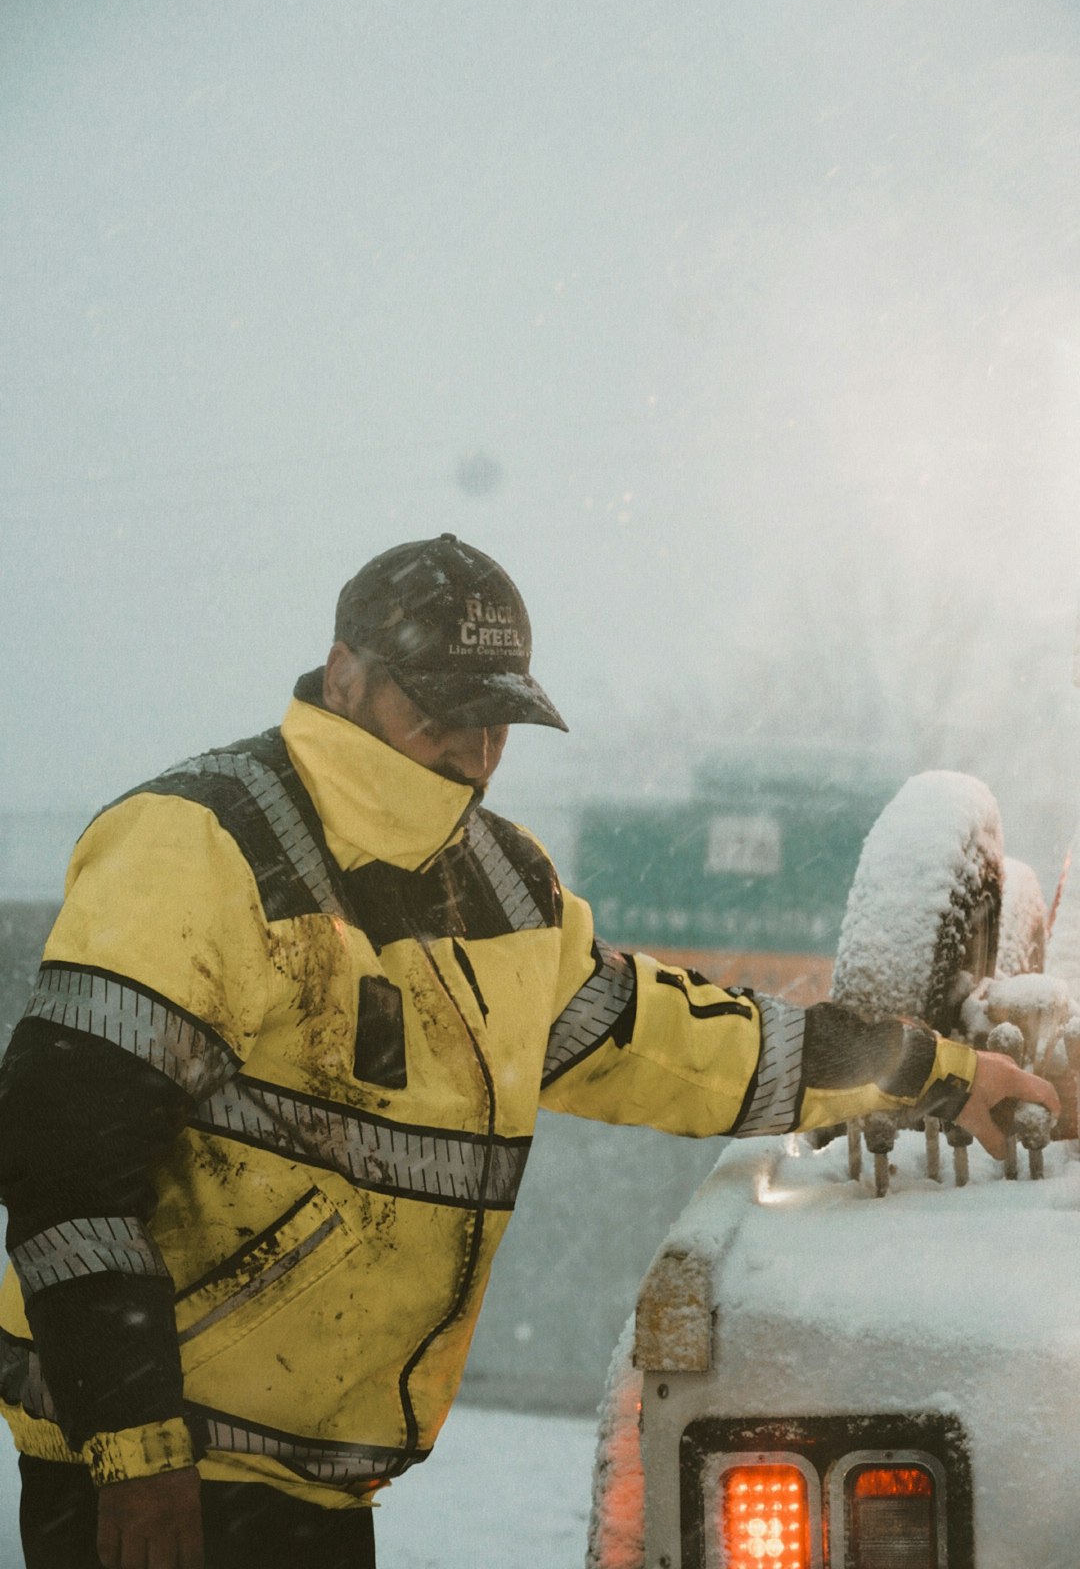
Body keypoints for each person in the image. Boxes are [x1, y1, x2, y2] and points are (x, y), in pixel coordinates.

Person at [0, 533, 1056, 1569]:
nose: (476, 745)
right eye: (444, 709)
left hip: (315, 1485)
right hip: (154, 1478)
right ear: (344, 675)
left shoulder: (504, 886)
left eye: (497, 715)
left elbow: (683, 1042)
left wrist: (933, 1073)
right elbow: (63, 1164)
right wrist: (134, 1452)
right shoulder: (198, 843)